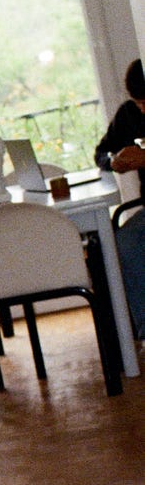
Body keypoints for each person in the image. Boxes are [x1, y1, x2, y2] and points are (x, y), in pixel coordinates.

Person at [95, 57, 145, 341]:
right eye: (138, 102)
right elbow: (101, 153)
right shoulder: (129, 115)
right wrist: (114, 161)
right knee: (123, 242)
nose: (142, 109)